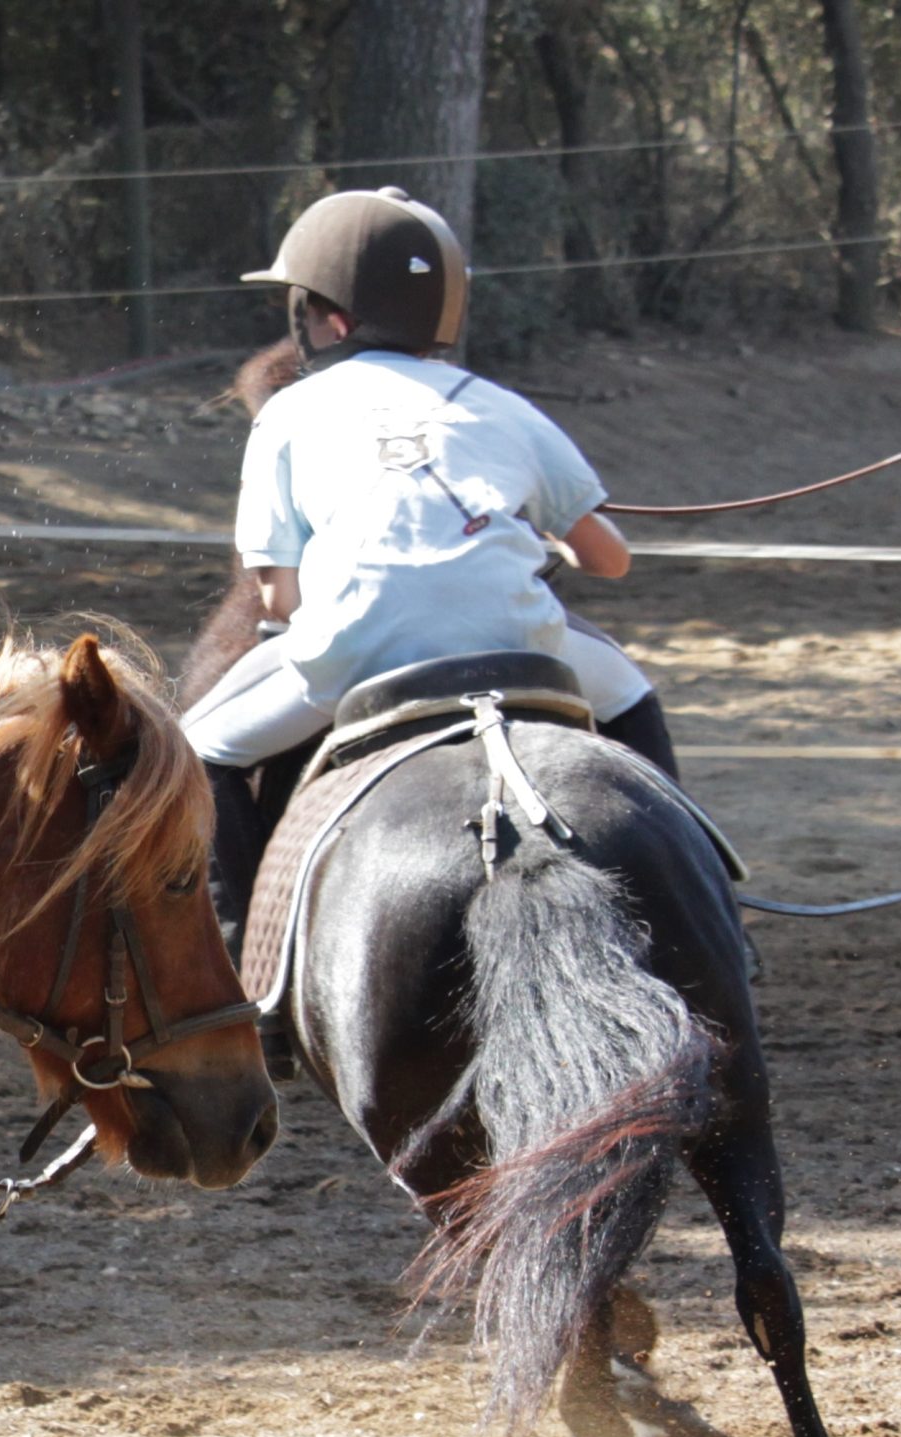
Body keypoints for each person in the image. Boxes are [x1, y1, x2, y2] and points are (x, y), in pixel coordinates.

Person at [184, 186, 679, 952]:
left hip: (355, 653)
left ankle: (238, 946)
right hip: (518, 643)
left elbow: (280, 593)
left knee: (198, 751)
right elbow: (611, 560)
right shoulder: (504, 406)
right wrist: (552, 538)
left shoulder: (288, 414)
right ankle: (692, 905)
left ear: (332, 320)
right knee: (634, 696)